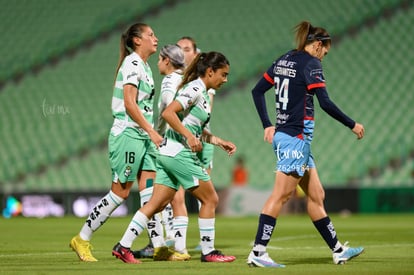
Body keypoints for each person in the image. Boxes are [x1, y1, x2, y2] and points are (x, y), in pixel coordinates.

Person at [247, 21, 365, 268]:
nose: (324, 56)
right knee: (281, 195)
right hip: (296, 138)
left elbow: (257, 91)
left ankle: (338, 250)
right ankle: (258, 252)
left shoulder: (284, 59)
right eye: (325, 51)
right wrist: (352, 124)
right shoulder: (312, 64)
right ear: (319, 45)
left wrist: (267, 124)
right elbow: (325, 103)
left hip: (289, 136)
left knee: (316, 195)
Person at [112, 51, 237, 264]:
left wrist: (219, 141)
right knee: (211, 199)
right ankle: (208, 252)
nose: (225, 80)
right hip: (179, 154)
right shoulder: (195, 88)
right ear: (209, 71)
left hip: (168, 154)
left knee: (155, 205)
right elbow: (168, 113)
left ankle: (123, 246)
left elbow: (195, 129)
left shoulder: (203, 93)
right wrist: (188, 137)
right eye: (223, 74)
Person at [69, 22, 164, 262]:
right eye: (150, 35)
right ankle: (82, 238)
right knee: (119, 193)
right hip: (129, 135)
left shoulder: (144, 66)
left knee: (150, 193)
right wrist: (151, 131)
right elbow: (130, 104)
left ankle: (152, 246)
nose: (156, 38)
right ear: (136, 41)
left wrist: (149, 133)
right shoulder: (132, 63)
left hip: (142, 137)